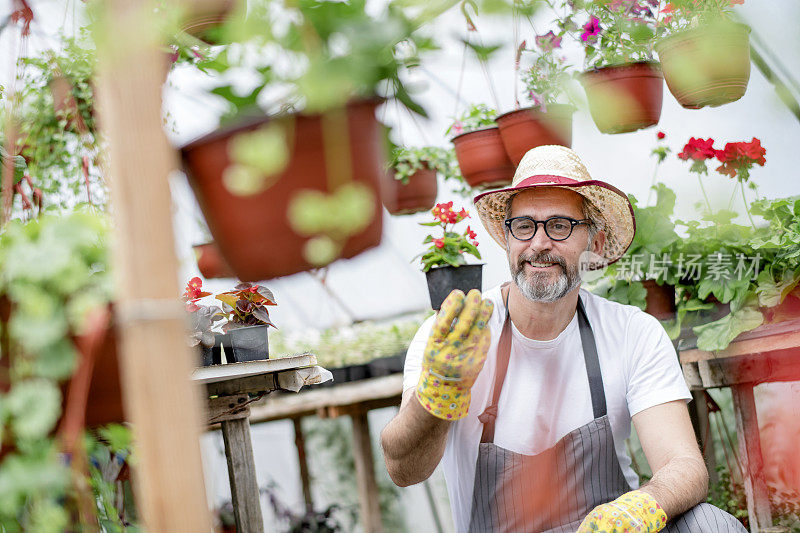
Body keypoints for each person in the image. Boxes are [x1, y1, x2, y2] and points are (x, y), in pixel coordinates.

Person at [381, 146, 746, 532]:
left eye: (559, 226)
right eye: (524, 226)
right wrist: (439, 391)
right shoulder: (454, 336)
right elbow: (403, 470)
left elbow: (684, 464)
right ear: (507, 239)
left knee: (711, 525)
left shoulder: (631, 332)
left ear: (595, 243)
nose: (538, 243)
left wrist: (641, 507)